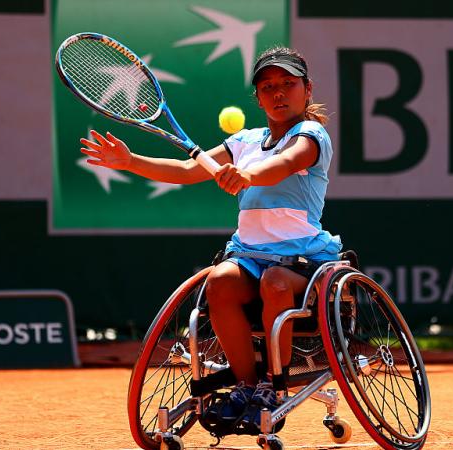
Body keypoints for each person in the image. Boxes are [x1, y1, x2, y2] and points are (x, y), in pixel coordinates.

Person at [80, 46, 341, 429]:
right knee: (218, 282)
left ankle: (274, 384)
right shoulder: (246, 142)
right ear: (258, 97)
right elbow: (187, 170)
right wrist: (130, 161)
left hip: (303, 263)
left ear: (307, 89)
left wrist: (247, 175)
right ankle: (247, 387)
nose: (279, 92)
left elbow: (286, 163)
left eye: (288, 83)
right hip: (250, 256)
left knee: (275, 281)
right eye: (268, 86)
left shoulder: (311, 134)